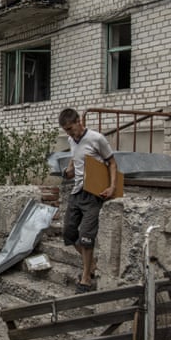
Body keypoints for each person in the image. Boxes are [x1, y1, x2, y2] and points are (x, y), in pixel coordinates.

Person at [58, 108, 118, 293]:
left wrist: (112, 187)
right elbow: (75, 158)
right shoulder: (71, 140)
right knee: (69, 232)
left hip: (94, 193)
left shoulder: (96, 138)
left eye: (70, 128)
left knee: (86, 235)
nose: (69, 133)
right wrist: (69, 170)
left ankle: (85, 278)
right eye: (66, 130)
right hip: (76, 192)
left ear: (79, 121)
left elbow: (112, 163)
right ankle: (91, 265)